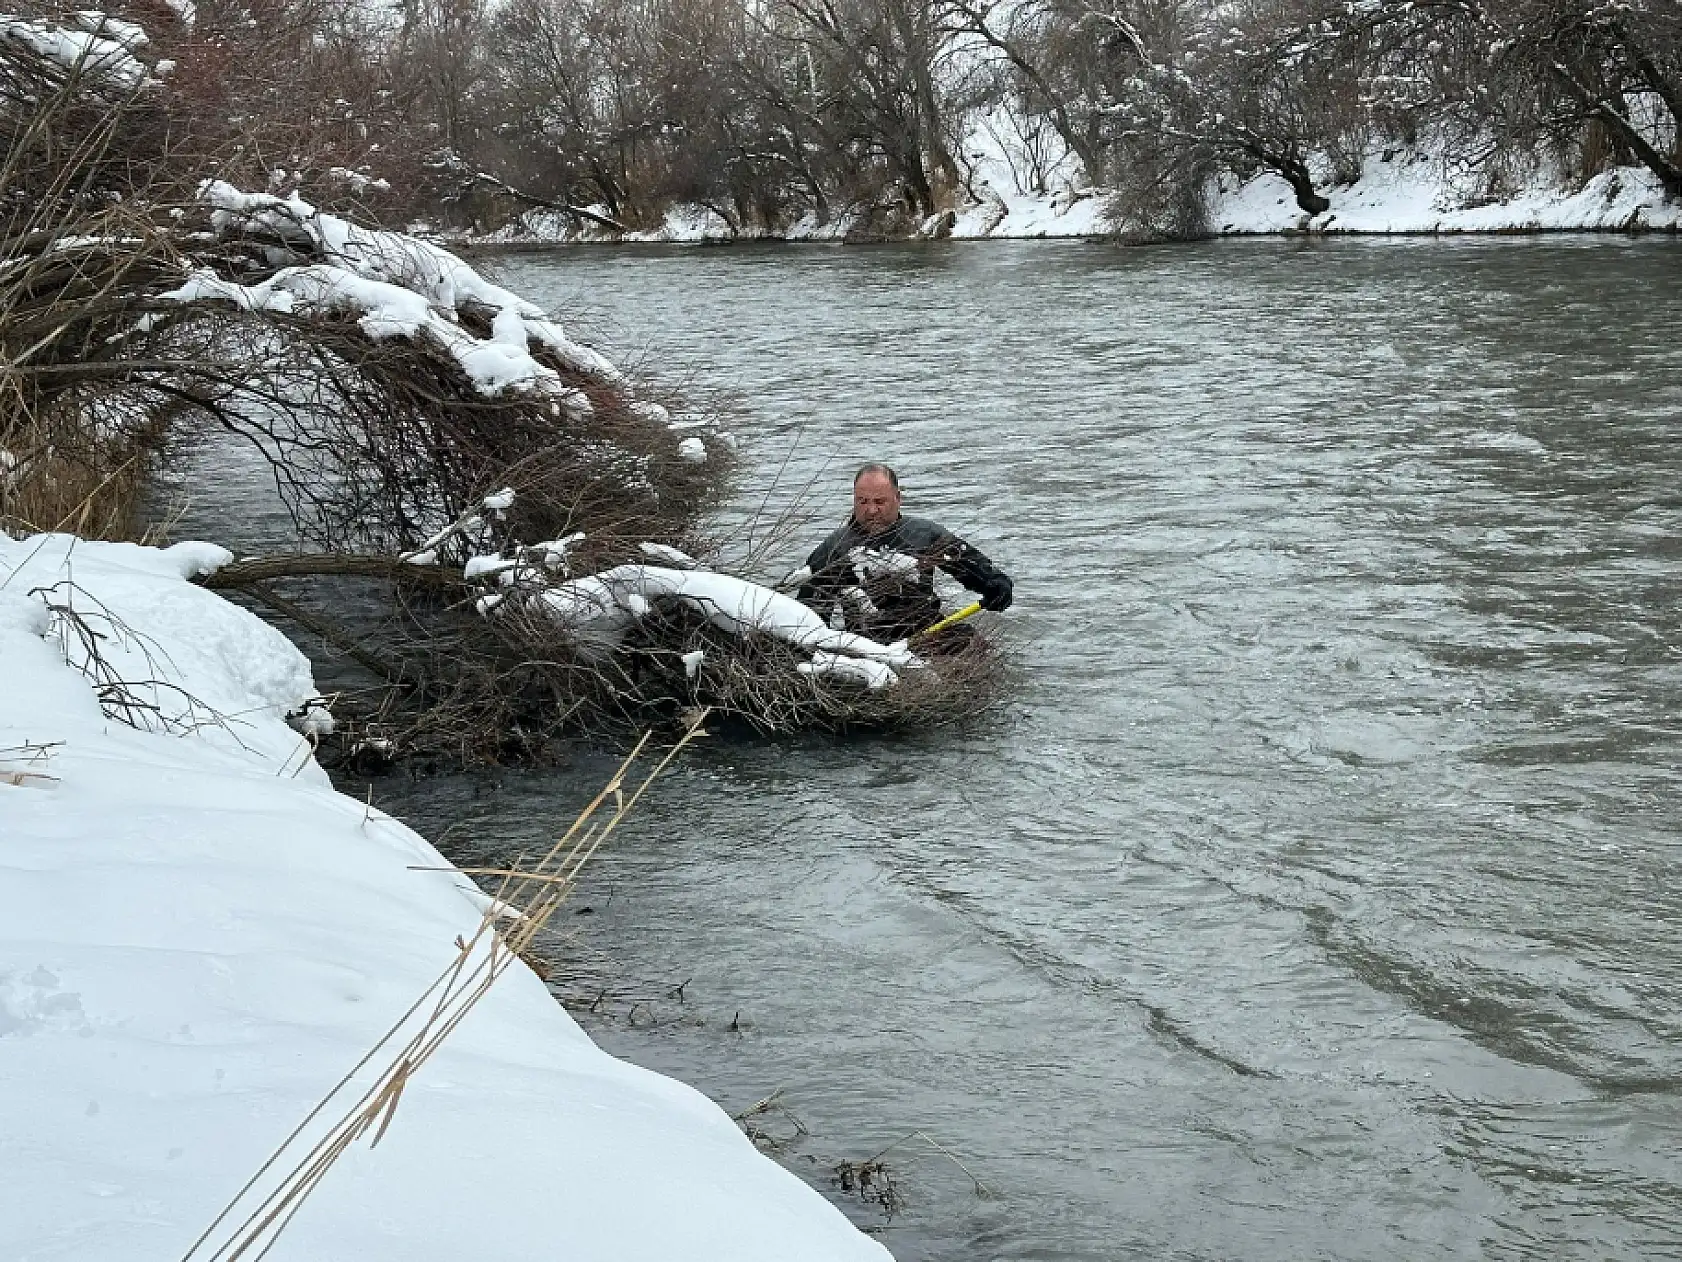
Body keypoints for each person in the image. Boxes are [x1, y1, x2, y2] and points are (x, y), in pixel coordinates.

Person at [795, 463, 1013, 643]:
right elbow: (808, 614)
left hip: (927, 631)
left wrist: (996, 585)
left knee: (972, 643)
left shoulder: (925, 535)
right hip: (868, 644)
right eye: (863, 502)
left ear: (898, 498)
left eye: (880, 502)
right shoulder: (833, 550)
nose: (871, 511)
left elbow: (972, 567)